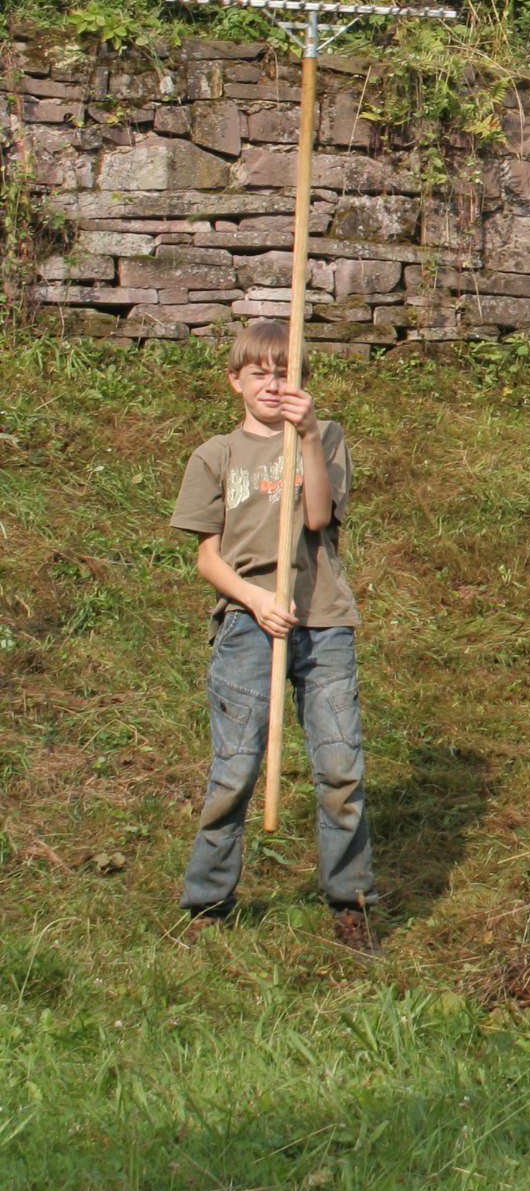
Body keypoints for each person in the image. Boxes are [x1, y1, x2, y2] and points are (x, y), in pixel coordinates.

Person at [170, 319, 375, 951]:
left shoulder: (327, 438)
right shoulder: (215, 455)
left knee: (340, 766)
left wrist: (308, 435)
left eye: (285, 372)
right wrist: (257, 600)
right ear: (235, 381)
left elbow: (316, 516)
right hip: (245, 625)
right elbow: (208, 558)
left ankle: (351, 901)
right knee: (234, 769)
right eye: (259, 372)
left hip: (323, 623)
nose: (272, 382)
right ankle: (207, 902)